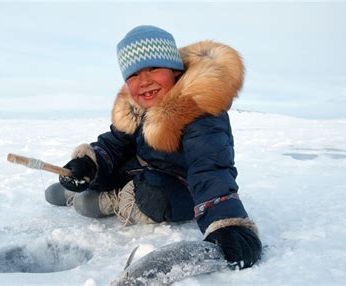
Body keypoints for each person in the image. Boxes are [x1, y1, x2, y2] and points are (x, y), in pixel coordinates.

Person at [45, 25, 262, 269]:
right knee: (104, 170)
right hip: (143, 170)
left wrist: (228, 224)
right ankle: (81, 185)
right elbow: (114, 145)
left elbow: (210, 169)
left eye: (154, 68)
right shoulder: (136, 109)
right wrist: (88, 163)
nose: (144, 81)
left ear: (175, 71)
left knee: (154, 195)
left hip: (181, 185)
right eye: (134, 74)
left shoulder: (199, 111)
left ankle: (113, 200)